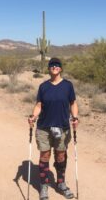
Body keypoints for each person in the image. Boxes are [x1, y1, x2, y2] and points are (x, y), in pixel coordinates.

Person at [28, 57, 79, 200]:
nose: (55, 67)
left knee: (60, 155)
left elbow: (73, 103)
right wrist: (33, 116)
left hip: (62, 127)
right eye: (52, 65)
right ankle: (44, 186)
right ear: (49, 68)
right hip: (44, 127)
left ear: (61, 68)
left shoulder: (68, 86)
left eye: (57, 65)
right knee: (44, 155)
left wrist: (75, 117)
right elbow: (39, 105)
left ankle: (61, 183)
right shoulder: (43, 86)